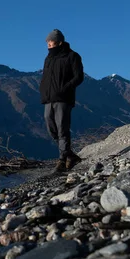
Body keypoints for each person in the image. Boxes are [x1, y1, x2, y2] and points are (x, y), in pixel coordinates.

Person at [39, 29, 84, 173]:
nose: (49, 47)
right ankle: (70, 155)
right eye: (48, 45)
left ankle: (62, 159)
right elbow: (46, 78)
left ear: (59, 42)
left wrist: (65, 88)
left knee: (62, 128)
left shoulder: (72, 56)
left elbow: (79, 77)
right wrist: (43, 90)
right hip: (48, 98)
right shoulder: (48, 59)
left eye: (51, 44)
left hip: (64, 98)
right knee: (51, 128)